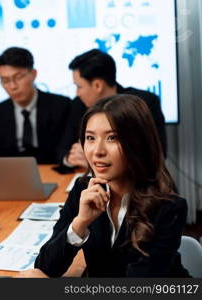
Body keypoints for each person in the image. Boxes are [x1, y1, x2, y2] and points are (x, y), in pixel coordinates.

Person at [30, 94, 188, 277]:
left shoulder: (168, 206)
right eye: (90, 138)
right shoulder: (84, 189)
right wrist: (80, 223)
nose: (97, 151)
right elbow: (45, 266)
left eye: (112, 138)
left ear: (138, 143)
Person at [59, 49, 167, 171]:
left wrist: (94, 161)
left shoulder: (143, 103)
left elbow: (157, 154)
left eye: (79, 86)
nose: (77, 93)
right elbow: (62, 149)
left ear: (97, 85)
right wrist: (71, 158)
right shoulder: (78, 105)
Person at [0, 47, 71, 164]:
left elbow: (65, 148)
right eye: (5, 80)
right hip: (12, 175)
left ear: (33, 74)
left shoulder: (61, 106)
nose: (13, 86)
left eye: (18, 77)